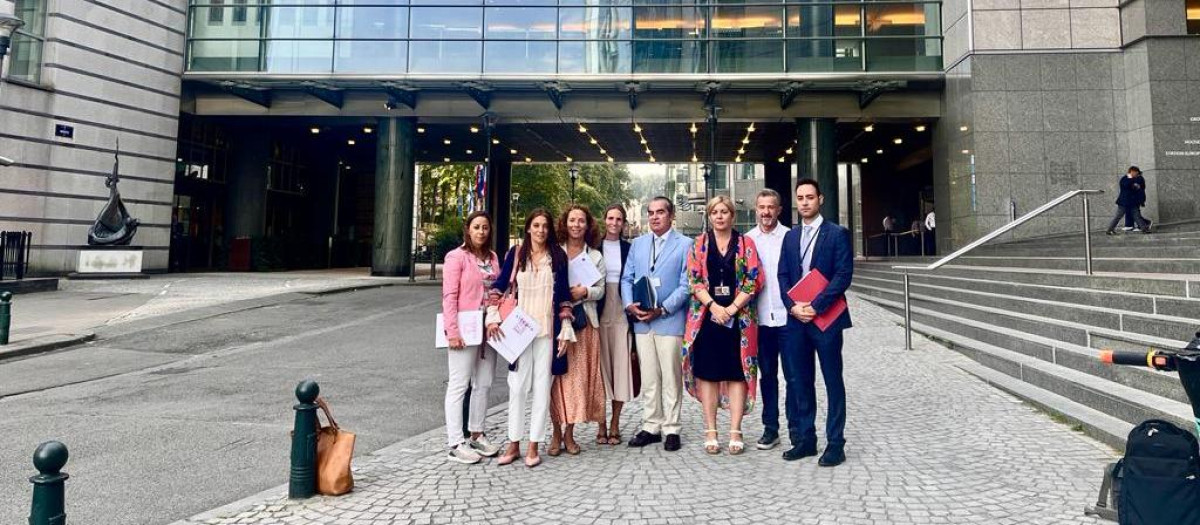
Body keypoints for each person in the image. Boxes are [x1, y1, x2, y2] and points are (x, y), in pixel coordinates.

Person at [486, 209, 575, 468]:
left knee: (542, 389)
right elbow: (499, 286)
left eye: (545, 226)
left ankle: (534, 444)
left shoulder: (558, 256)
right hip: (519, 331)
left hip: (546, 331)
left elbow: (564, 295)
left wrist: (565, 328)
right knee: (517, 387)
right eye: (536, 225)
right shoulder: (515, 255)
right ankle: (514, 442)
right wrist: (492, 315)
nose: (541, 230)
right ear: (528, 228)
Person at [778, 178, 854, 467]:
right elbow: (783, 275)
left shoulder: (836, 234)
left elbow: (843, 275)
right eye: (800, 197)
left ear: (820, 199)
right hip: (796, 320)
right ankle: (806, 439)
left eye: (810, 197)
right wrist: (793, 306)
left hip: (827, 319)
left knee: (833, 380)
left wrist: (816, 306)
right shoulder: (790, 237)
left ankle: (836, 443)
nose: (805, 202)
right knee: (800, 380)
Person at [682, 195, 763, 455]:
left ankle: (736, 430)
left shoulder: (745, 243)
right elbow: (694, 280)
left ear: (732, 216)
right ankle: (710, 430)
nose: (719, 216)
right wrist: (714, 307)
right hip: (707, 319)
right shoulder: (699, 244)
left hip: (738, 320)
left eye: (724, 212)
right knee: (708, 372)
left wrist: (731, 308)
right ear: (710, 215)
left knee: (736, 372)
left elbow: (753, 280)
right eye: (715, 212)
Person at [621, 196, 694, 452]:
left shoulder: (686, 244)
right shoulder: (637, 244)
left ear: (671, 215)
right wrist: (630, 305)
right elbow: (626, 278)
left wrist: (662, 309)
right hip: (642, 322)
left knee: (671, 377)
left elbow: (687, 285)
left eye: (660, 212)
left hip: (669, 320)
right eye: (650, 212)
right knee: (650, 377)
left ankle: (672, 428)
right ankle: (651, 425)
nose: (654, 217)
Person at [440, 211, 503, 464]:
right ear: (468, 229)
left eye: (485, 227)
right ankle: (455, 442)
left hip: (488, 328)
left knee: (484, 382)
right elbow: (449, 296)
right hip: (465, 328)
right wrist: (452, 331)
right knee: (459, 384)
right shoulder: (456, 257)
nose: (481, 232)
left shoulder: (494, 257)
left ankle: (477, 433)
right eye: (476, 227)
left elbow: (498, 289)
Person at [549, 205, 607, 456]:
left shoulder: (595, 256)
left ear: (588, 225)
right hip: (555, 323)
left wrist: (585, 292)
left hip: (584, 324)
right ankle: (554, 433)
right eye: (572, 220)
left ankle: (569, 433)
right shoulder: (553, 252)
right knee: (556, 380)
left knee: (576, 382)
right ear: (565, 223)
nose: (576, 225)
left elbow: (602, 289)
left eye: (581, 221)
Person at [745, 189, 790, 450]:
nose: (766, 212)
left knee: (794, 376)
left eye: (771, 207)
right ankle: (770, 428)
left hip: (788, 318)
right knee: (768, 376)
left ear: (779, 209)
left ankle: (797, 428)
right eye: (762, 207)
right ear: (756, 209)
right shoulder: (748, 240)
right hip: (760, 320)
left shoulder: (790, 237)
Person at [597, 204, 636, 445]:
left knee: (620, 366)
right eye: (610, 218)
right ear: (604, 220)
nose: (614, 222)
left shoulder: (628, 249)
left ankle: (615, 424)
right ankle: (601, 423)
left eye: (618, 219)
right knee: (601, 368)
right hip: (599, 309)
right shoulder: (593, 247)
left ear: (624, 223)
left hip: (622, 309)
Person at [1106, 166, 1152, 235]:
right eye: (1136, 173)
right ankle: (1109, 230)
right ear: (1132, 172)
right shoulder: (1125, 178)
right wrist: (1132, 179)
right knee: (1118, 216)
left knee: (1137, 215)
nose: (1136, 174)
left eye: (1137, 173)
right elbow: (1127, 185)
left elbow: (1139, 187)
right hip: (1124, 202)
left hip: (1132, 202)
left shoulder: (1136, 178)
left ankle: (1144, 229)